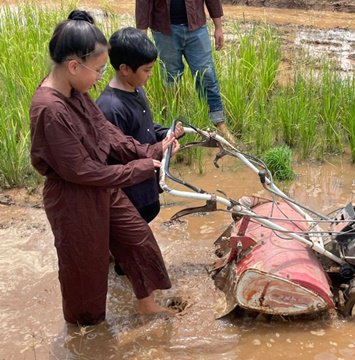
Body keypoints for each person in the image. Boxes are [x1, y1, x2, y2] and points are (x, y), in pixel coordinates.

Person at [29, 10, 179, 326]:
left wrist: (150, 150)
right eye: (97, 70)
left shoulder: (76, 90)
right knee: (84, 272)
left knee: (138, 240)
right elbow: (81, 171)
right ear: (73, 66)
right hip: (74, 197)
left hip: (103, 185)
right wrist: (137, 169)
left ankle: (148, 307)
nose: (100, 78)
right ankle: (87, 336)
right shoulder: (50, 109)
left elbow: (106, 133)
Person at [96, 27, 184, 275]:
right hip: (129, 194)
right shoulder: (110, 108)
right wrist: (160, 150)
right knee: (132, 252)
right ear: (124, 69)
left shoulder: (136, 90)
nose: (150, 75)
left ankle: (116, 255)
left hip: (145, 185)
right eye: (146, 70)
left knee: (134, 234)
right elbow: (122, 153)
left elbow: (145, 128)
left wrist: (166, 133)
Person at [135, 0, 235, 142]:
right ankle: (174, 123)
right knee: (171, 78)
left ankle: (219, 122)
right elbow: (143, 3)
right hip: (164, 30)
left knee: (206, 75)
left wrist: (218, 26)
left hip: (196, 27)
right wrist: (142, 35)